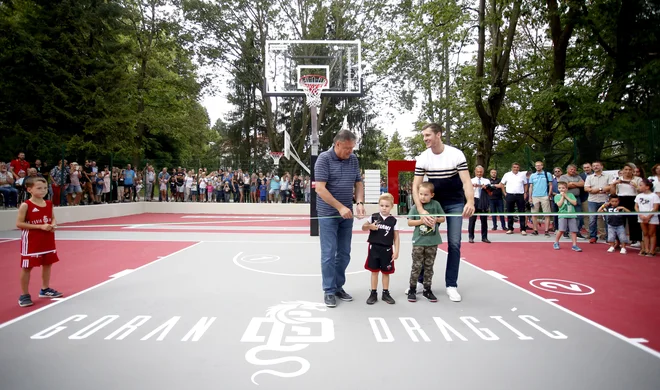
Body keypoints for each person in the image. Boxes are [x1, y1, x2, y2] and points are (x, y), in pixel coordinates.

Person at [412, 123, 473, 303]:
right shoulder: (423, 157)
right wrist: (422, 210)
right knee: (426, 241)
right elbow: (415, 187)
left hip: (454, 203)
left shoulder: (456, 154)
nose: (425, 139)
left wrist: (470, 201)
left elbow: (466, 182)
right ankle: (422, 282)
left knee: (454, 244)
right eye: (423, 136)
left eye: (428, 135)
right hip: (433, 203)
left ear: (438, 134)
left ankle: (451, 285)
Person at [315, 130, 365, 308]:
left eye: (352, 148)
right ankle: (329, 290)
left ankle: (338, 286)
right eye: (347, 148)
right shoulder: (324, 159)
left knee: (344, 253)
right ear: (337, 144)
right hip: (328, 214)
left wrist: (358, 202)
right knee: (329, 253)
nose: (350, 151)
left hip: (347, 215)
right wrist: (340, 207)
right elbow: (320, 189)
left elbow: (358, 183)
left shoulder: (353, 159)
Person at [16, 177, 64, 307]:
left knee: (47, 264)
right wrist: (40, 226)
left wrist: (53, 224)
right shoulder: (26, 205)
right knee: (27, 267)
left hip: (47, 239)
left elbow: (52, 217)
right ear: (29, 189)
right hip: (32, 241)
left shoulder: (48, 203)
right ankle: (24, 294)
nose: (43, 190)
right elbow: (19, 223)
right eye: (39, 188)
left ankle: (45, 289)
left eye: (44, 188)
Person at [407, 182, 445, 302]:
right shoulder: (415, 207)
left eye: (426, 194)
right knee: (416, 266)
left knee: (429, 267)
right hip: (419, 241)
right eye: (420, 194)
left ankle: (427, 289)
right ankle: (412, 289)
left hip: (432, 242)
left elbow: (443, 218)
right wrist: (422, 221)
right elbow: (409, 222)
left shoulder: (436, 205)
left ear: (432, 195)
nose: (423, 197)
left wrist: (435, 219)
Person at [362, 193, 399, 305]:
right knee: (374, 271)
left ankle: (385, 293)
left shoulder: (393, 221)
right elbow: (363, 227)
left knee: (386, 272)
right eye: (382, 205)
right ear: (379, 205)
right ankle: (373, 293)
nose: (384, 208)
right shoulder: (373, 217)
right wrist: (370, 226)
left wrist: (397, 251)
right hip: (374, 248)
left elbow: (396, 237)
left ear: (391, 206)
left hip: (387, 249)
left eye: (387, 206)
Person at [500, 162, 528, 236]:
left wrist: (525, 193)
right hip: (510, 195)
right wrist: (504, 193)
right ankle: (510, 228)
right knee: (510, 212)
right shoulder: (507, 174)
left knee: (521, 212)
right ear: (512, 167)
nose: (516, 168)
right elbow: (502, 184)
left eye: (517, 167)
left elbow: (525, 184)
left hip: (520, 195)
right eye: (514, 167)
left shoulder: (522, 175)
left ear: (519, 168)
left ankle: (523, 229)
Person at [553, 182, 582, 252]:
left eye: (563, 188)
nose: (561, 189)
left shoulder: (571, 195)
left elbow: (574, 203)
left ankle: (574, 245)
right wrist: (562, 197)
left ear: (566, 188)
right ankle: (556, 242)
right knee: (561, 230)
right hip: (562, 215)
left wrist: (566, 196)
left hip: (572, 215)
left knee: (573, 230)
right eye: (559, 188)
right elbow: (559, 205)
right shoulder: (557, 196)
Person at [634, 179, 659, 257]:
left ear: (647, 187)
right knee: (645, 233)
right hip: (641, 216)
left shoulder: (654, 196)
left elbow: (655, 207)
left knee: (652, 233)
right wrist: (640, 215)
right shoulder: (639, 196)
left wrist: (648, 216)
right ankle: (646, 249)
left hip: (652, 217)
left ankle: (652, 250)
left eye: (641, 185)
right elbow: (636, 206)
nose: (639, 187)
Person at [468, 165, 491, 243]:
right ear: (475, 172)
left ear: (483, 172)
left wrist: (486, 187)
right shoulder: (470, 180)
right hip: (474, 200)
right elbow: (467, 191)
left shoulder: (487, 181)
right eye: (478, 171)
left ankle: (484, 237)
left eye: (481, 172)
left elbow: (490, 191)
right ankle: (471, 237)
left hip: (483, 201)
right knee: (472, 220)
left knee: (484, 220)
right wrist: (472, 187)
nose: (479, 173)